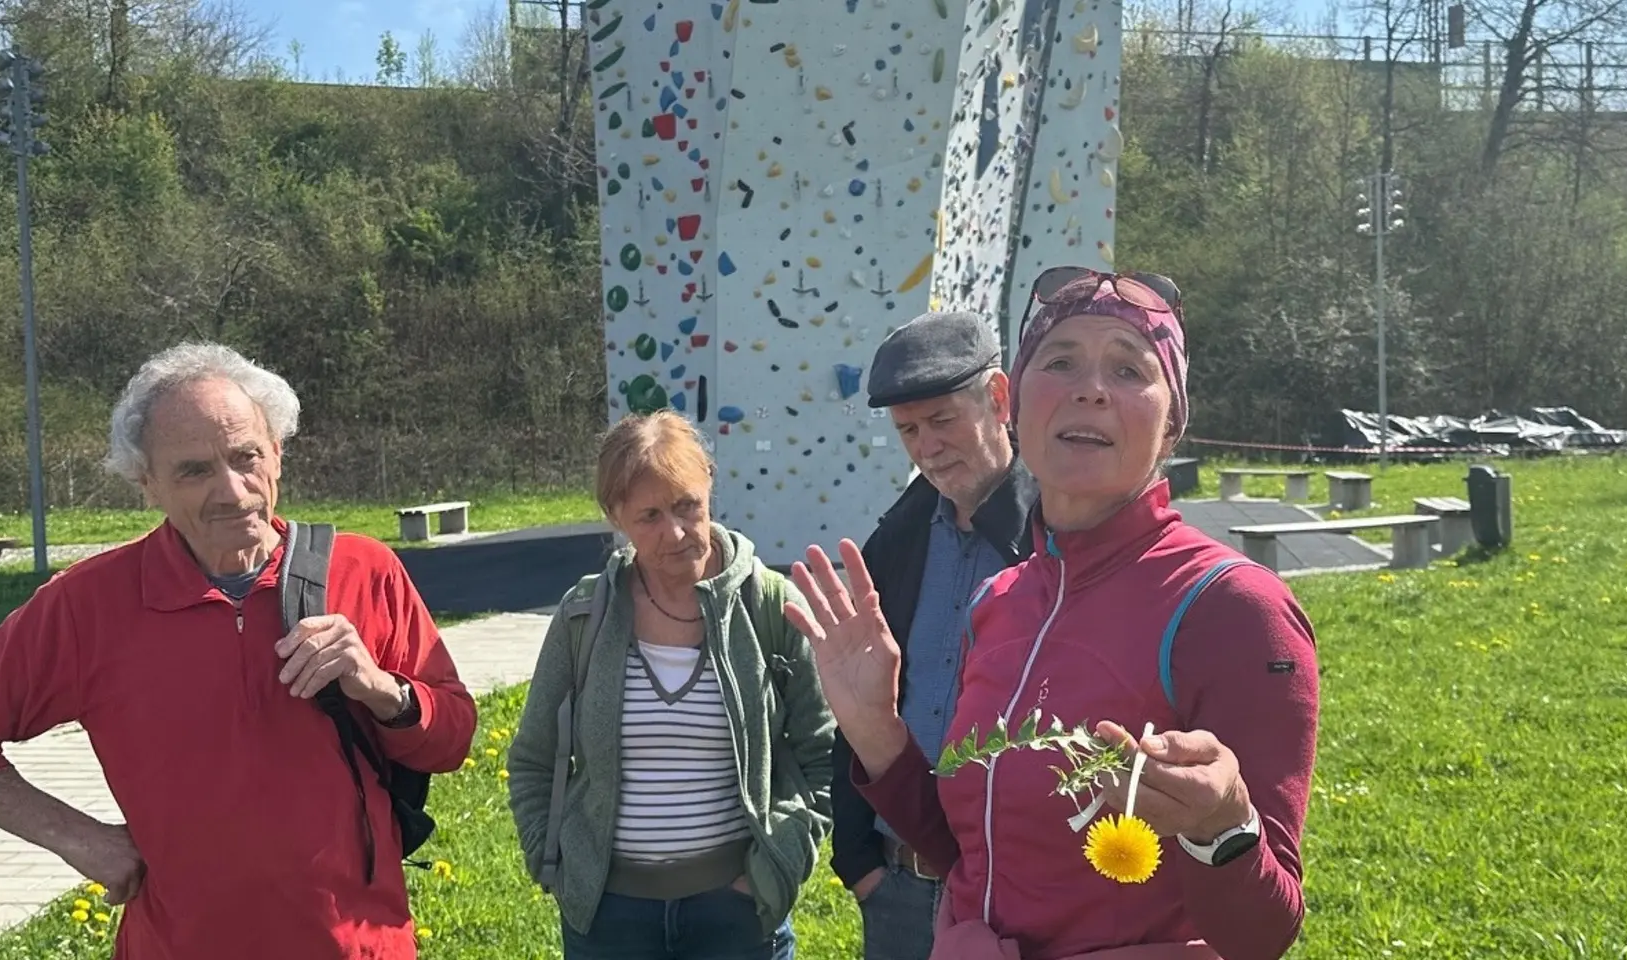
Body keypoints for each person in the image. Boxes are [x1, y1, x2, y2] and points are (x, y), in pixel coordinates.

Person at [787, 268, 1319, 960]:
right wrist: (877, 731)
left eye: (1129, 369)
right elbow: (974, 859)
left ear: (1170, 426)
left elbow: (1263, 936)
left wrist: (1223, 828)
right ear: (1021, 402)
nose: (1090, 387)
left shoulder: (1232, 606)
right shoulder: (1001, 601)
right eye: (1060, 360)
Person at [0, 342, 478, 960]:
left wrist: (382, 690)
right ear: (146, 483)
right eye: (194, 470)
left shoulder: (364, 570)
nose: (232, 490)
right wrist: (78, 838)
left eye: (245, 456)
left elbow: (452, 740)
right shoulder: (88, 604)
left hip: (360, 946)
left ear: (278, 454)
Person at [507, 410, 836, 960]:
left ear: (709, 483)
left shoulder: (771, 606)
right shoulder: (584, 615)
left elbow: (823, 756)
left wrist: (777, 863)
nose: (676, 533)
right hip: (608, 921)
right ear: (615, 516)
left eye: (687, 505)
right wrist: (557, 863)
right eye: (650, 516)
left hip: (737, 916)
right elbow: (534, 760)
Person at [836, 310, 1039, 960]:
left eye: (943, 419)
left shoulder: (1059, 539)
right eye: (908, 431)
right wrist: (858, 858)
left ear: (999, 398)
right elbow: (857, 707)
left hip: (1017, 890)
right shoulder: (892, 544)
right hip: (894, 883)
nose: (926, 447)